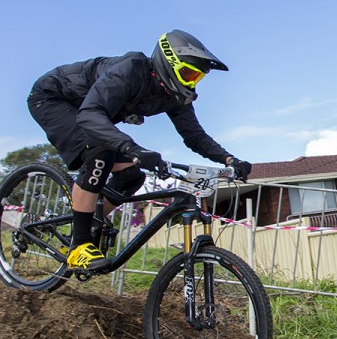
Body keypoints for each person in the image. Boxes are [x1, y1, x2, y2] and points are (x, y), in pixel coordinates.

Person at [27, 29, 252, 272]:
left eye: (197, 78)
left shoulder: (174, 95)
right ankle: (79, 246)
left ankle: (92, 219)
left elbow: (194, 136)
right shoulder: (130, 71)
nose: (191, 82)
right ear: (169, 63)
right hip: (54, 98)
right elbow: (91, 114)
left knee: (132, 176)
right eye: (187, 74)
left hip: (91, 110)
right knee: (99, 152)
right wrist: (133, 149)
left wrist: (229, 159)